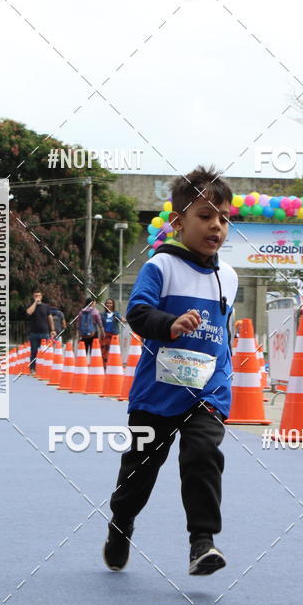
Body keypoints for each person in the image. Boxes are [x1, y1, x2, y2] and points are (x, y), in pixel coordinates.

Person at [103, 165, 238, 576]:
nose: (216, 225)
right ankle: (121, 523)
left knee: (202, 456)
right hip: (157, 395)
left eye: (224, 218)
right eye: (205, 216)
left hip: (207, 393)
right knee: (138, 475)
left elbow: (222, 333)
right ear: (179, 222)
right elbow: (138, 313)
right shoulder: (160, 267)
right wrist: (171, 325)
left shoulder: (228, 277)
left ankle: (202, 543)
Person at [26, 290, 55, 373]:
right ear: (33, 297)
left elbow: (50, 318)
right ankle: (32, 368)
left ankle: (45, 369)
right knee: (34, 352)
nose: (37, 297)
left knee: (45, 352)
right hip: (34, 333)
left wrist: (52, 330)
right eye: (35, 296)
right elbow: (29, 312)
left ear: (41, 297)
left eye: (39, 296)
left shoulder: (46, 306)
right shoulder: (31, 305)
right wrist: (35, 303)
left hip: (44, 332)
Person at [101, 299, 124, 367]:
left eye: (110, 303)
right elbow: (99, 324)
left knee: (114, 350)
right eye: (107, 303)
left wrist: (123, 319)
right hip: (105, 335)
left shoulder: (116, 314)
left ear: (113, 305)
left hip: (114, 335)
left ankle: (114, 364)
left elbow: (121, 319)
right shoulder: (102, 314)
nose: (109, 305)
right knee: (104, 351)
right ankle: (105, 365)